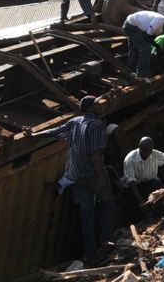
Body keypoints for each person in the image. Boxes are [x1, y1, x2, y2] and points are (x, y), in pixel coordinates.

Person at [28, 96, 114, 264]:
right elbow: (96, 154)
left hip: (76, 175)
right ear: (90, 108)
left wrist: (33, 135)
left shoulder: (74, 122)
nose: (100, 105)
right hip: (92, 175)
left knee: (86, 216)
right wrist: (100, 178)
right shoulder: (96, 125)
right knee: (108, 204)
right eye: (97, 104)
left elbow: (53, 132)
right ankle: (105, 241)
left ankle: (90, 254)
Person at [122, 137, 164, 218]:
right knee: (137, 213)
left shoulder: (154, 154)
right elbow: (131, 182)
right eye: (145, 150)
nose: (147, 153)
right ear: (139, 147)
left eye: (149, 151)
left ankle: (159, 213)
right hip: (134, 188)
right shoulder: (130, 159)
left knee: (157, 183)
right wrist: (142, 202)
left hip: (150, 184)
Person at [123, 11, 164, 80]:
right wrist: (156, 46)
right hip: (131, 25)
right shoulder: (158, 22)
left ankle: (130, 71)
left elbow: (150, 37)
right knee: (145, 49)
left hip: (136, 26)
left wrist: (157, 46)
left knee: (134, 49)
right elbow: (147, 37)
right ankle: (142, 74)